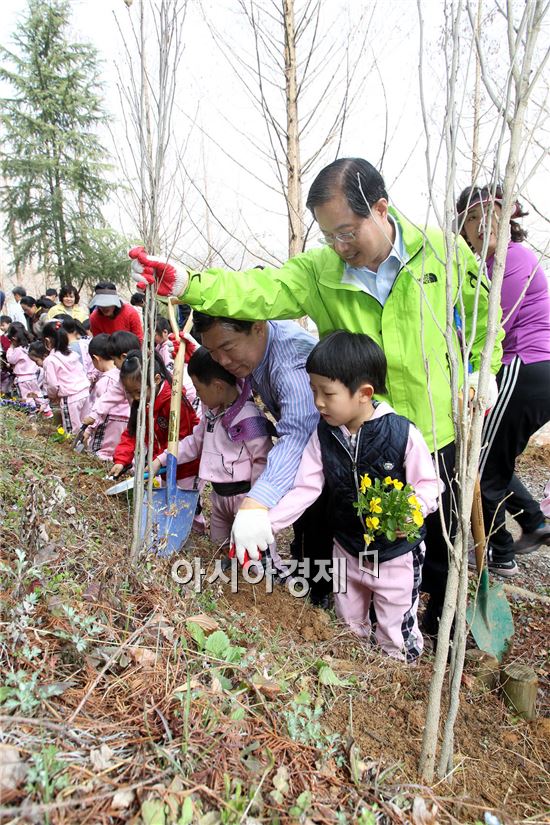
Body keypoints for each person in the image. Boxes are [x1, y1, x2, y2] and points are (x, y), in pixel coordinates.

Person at [130, 157, 503, 636]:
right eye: (329, 236)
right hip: (359, 434)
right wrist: (190, 286)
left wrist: (480, 371)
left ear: (381, 209)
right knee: (359, 529)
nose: (340, 247)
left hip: (434, 429)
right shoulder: (320, 271)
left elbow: (484, 321)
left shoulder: (444, 253)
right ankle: (364, 616)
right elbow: (257, 290)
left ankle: (439, 621)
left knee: (439, 532)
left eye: (347, 232)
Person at [268, 332, 439, 662]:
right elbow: (306, 486)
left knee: (394, 627)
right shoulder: (325, 433)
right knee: (348, 622)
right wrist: (267, 522)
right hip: (346, 548)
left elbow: (428, 485)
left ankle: (395, 678)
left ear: (364, 394)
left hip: (395, 553)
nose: (317, 402)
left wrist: (412, 512)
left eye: (327, 393)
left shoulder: (401, 433)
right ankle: (355, 673)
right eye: (313, 390)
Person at [188, 312, 333, 604]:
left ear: (257, 327)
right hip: (308, 449)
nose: (223, 363)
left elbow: (297, 436)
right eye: (214, 353)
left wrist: (255, 503)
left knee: (321, 527)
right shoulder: (249, 357)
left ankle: (320, 598)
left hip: (327, 449)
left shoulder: (289, 365)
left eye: (227, 349)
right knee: (305, 532)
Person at [456, 185, 550, 575]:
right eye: (472, 220)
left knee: (479, 460)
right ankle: (533, 521)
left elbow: (486, 328)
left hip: (523, 367)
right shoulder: (495, 265)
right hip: (531, 370)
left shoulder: (509, 263)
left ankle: (501, 552)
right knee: (493, 456)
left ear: (507, 219)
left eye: (489, 216)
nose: (481, 226)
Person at [151, 347, 275, 554]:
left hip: (244, 496)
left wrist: (256, 500)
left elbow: (262, 459)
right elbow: (194, 443)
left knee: (254, 548)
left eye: (199, 389)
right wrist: (162, 459)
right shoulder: (212, 413)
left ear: (218, 386)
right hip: (218, 496)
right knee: (219, 544)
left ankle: (264, 574)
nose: (197, 394)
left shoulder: (248, 418)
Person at [109, 351, 200, 493]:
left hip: (187, 468)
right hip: (162, 465)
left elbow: (183, 439)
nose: (135, 398)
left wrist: (158, 460)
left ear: (156, 379)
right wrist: (121, 460)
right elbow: (133, 432)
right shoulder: (144, 403)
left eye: (138, 392)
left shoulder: (174, 403)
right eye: (130, 393)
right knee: (169, 504)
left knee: (187, 507)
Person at [80, 334, 130, 461]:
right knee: (120, 452)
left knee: (102, 453)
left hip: (109, 422)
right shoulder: (125, 374)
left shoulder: (106, 380)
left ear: (96, 359)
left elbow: (101, 409)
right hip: (126, 422)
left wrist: (89, 429)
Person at [42, 320, 90, 432]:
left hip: (71, 398)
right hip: (84, 392)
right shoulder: (72, 354)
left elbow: (53, 385)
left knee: (73, 431)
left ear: (47, 341)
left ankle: (74, 449)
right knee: (86, 427)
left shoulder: (51, 360)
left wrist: (52, 396)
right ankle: (86, 447)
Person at [5, 322, 51, 415]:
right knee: (38, 394)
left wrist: (11, 347)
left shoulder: (18, 350)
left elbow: (11, 359)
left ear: (13, 338)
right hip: (34, 376)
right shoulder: (30, 346)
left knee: (27, 398)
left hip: (23, 378)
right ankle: (47, 412)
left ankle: (31, 415)